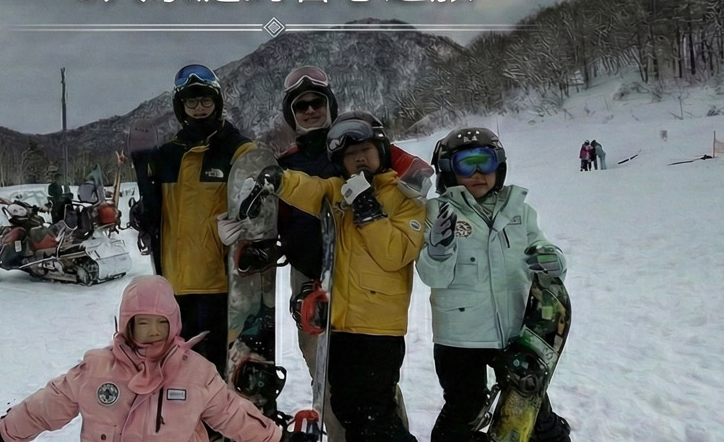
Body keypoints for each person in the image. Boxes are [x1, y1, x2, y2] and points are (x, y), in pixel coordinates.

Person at [234, 111, 425, 442]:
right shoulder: (338, 191)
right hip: (340, 325)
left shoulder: (403, 198)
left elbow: (396, 255)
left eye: (365, 151)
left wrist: (370, 213)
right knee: (346, 407)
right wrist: (280, 180)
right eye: (351, 155)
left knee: (376, 413)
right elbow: (310, 188)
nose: (359, 159)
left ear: (381, 150)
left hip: (378, 328)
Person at [0, 275, 289, 442]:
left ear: (174, 324)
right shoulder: (96, 369)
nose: (153, 331)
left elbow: (233, 415)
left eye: (161, 323)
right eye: (142, 323)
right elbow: (48, 405)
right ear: (128, 324)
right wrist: (3, 433)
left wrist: (278, 438)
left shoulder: (196, 373)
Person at [415, 128, 571, 442]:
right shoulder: (436, 212)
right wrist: (439, 251)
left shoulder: (519, 211)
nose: (478, 173)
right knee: (465, 407)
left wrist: (552, 259)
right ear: (448, 170)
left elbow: (544, 249)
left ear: (498, 166)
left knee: (529, 401)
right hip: (459, 335)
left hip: (516, 330)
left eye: (485, 162)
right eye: (466, 164)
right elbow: (433, 277)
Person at [132, 64, 253, 379]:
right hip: (173, 281)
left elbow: (258, 201)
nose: (199, 108)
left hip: (217, 281)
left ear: (217, 102)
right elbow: (155, 209)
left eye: (206, 100)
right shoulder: (165, 156)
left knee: (212, 368)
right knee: (179, 369)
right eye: (191, 102)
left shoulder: (236, 149)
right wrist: (142, 215)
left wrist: (241, 225)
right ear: (181, 107)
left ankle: (217, 410)